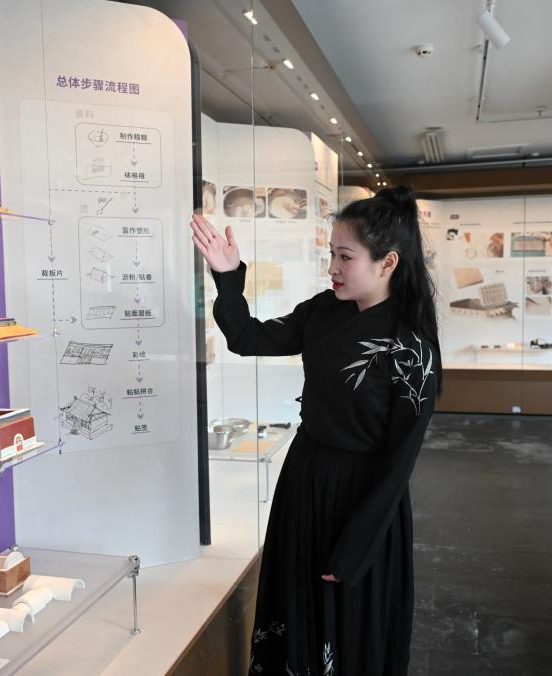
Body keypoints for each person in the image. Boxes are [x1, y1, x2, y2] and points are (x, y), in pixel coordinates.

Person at [189, 186, 443, 675]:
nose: (332, 268)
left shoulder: (412, 349)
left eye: (345, 257)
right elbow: (247, 337)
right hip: (304, 478)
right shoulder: (324, 310)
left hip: (361, 500)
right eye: (331, 254)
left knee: (348, 623)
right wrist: (227, 277)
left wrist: (357, 545)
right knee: (296, 607)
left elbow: (399, 462)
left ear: (388, 263)